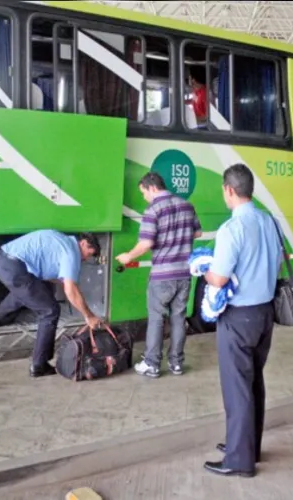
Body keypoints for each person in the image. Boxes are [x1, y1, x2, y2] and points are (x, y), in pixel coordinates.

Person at [200, 164, 281, 478]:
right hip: (265, 313)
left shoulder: (231, 229)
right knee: (253, 382)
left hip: (238, 317)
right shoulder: (268, 221)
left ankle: (239, 460)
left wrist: (202, 269)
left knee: (237, 388)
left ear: (229, 190)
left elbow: (218, 279)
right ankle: (248, 446)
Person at [0, 231, 103, 378]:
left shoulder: (62, 241)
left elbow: (53, 276)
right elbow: (70, 290)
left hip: (0, 260)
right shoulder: (72, 252)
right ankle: (39, 365)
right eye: (88, 254)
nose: (85, 259)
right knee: (50, 311)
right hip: (14, 268)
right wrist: (89, 316)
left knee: (33, 290)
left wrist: (67, 282)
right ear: (83, 243)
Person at [116, 173, 202, 378]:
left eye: (143, 192)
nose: (144, 197)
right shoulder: (187, 205)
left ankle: (152, 364)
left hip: (162, 275)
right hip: (183, 273)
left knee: (156, 318)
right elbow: (197, 233)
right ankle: (177, 364)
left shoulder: (153, 210)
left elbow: (146, 243)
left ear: (152, 187)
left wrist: (128, 256)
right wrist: (179, 238)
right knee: (178, 318)